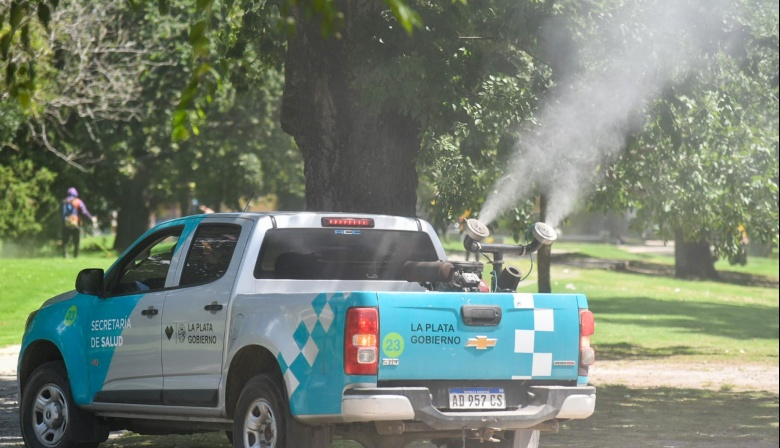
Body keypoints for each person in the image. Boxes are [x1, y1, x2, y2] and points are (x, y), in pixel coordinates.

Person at [61, 187, 95, 258]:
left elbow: (61, 213)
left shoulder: (63, 201)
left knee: (66, 241)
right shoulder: (78, 201)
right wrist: (91, 218)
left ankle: (65, 255)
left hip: (66, 223)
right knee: (76, 241)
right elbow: (84, 211)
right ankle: (76, 256)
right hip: (76, 223)